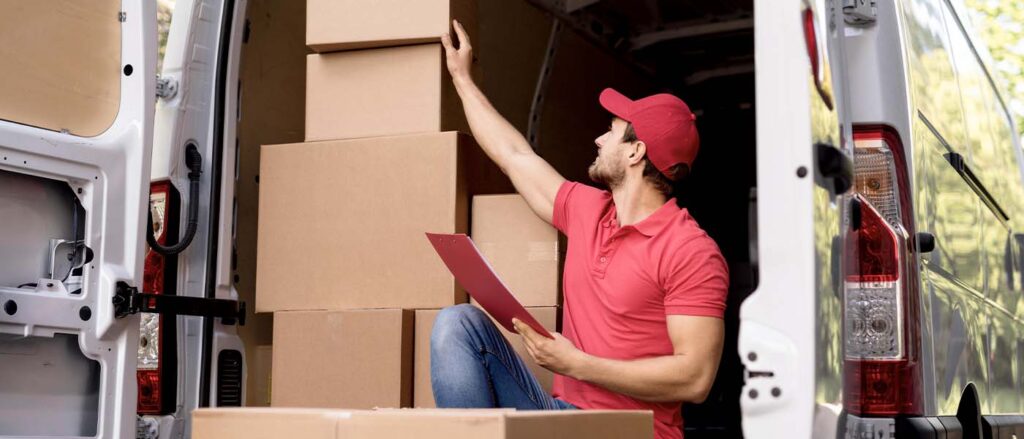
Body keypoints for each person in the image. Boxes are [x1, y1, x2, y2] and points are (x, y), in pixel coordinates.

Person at [429, 20, 729, 439]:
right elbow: (514, 155)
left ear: (636, 152)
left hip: (633, 432)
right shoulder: (589, 210)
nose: (598, 140)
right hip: (565, 415)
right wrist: (461, 78)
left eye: (611, 132)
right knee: (457, 325)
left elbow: (695, 378)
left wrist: (576, 365)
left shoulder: (690, 250)